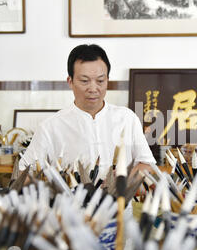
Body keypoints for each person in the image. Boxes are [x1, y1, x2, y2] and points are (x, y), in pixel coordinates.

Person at [19, 44, 156, 179]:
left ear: (108, 80)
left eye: (100, 81)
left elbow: (147, 164)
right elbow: (23, 173)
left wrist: (125, 180)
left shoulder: (127, 118)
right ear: (70, 81)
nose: (93, 88)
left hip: (120, 200)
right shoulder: (50, 126)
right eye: (84, 81)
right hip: (71, 200)